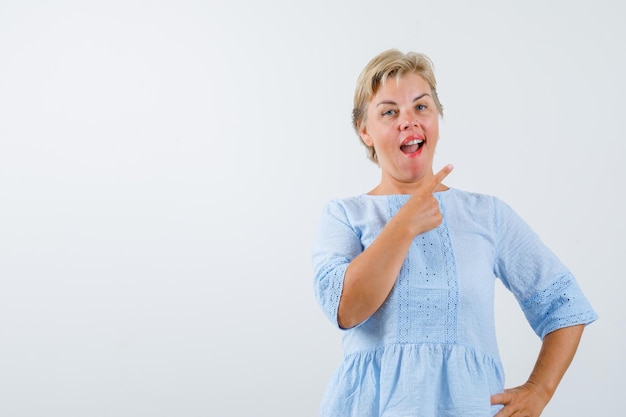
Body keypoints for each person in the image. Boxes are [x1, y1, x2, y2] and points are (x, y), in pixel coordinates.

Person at [311, 49, 598, 417]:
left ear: (437, 117)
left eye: (421, 107)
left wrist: (539, 390)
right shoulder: (344, 215)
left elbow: (565, 305)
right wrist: (404, 224)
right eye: (389, 112)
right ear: (364, 131)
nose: (408, 122)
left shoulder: (487, 215)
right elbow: (346, 310)